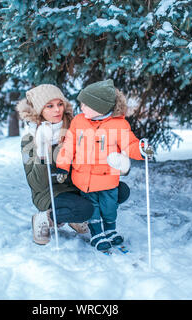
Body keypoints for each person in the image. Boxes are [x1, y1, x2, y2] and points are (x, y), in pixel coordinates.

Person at [16, 84, 132, 246]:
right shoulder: (29, 139)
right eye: (49, 106)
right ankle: (45, 218)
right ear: (38, 110)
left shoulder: (75, 126)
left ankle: (77, 216)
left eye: (60, 104)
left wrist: (121, 162)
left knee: (120, 191)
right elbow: (37, 184)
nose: (57, 110)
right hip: (51, 192)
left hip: (79, 185)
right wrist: (44, 151)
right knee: (84, 209)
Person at [55, 79, 154, 251]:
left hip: (108, 178)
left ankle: (110, 231)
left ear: (99, 107)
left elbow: (129, 144)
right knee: (92, 208)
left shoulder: (119, 124)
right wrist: (62, 165)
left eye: (86, 105)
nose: (82, 108)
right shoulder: (79, 121)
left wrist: (141, 150)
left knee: (110, 208)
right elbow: (69, 145)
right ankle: (97, 234)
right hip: (84, 178)